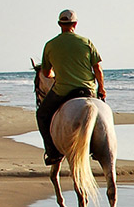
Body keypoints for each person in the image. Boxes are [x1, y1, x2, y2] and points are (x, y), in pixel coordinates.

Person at [36, 9, 107, 165]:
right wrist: (101, 88)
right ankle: (101, 147)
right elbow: (98, 69)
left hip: (63, 91)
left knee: (42, 114)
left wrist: (58, 73)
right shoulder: (86, 42)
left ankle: (53, 153)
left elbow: (47, 73)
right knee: (103, 114)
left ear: (59, 24)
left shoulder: (50, 45)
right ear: (75, 24)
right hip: (88, 90)